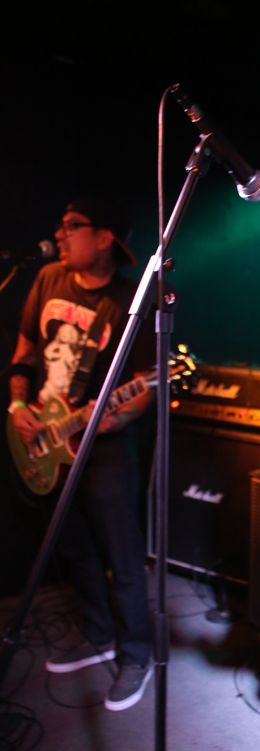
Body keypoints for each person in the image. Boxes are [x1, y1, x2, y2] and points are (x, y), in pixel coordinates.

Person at [8, 194, 155, 712]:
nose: (60, 233)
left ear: (104, 237)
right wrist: (17, 404)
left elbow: (146, 384)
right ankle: (99, 637)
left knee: (122, 551)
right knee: (74, 545)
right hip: (47, 439)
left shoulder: (130, 299)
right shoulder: (48, 278)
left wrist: (119, 416)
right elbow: (25, 350)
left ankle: (137, 655)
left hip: (106, 444)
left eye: (72, 225)